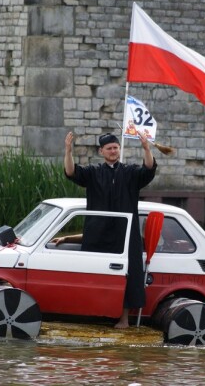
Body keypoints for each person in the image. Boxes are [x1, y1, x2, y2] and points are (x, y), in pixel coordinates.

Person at [63, 130, 157, 328]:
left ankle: (123, 319)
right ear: (102, 151)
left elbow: (148, 170)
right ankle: (94, 315)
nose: (113, 151)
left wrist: (146, 148)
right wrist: (68, 151)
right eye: (109, 148)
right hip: (97, 234)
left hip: (125, 234)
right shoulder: (93, 173)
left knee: (128, 276)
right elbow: (71, 172)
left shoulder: (130, 173)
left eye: (116, 148)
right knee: (94, 276)